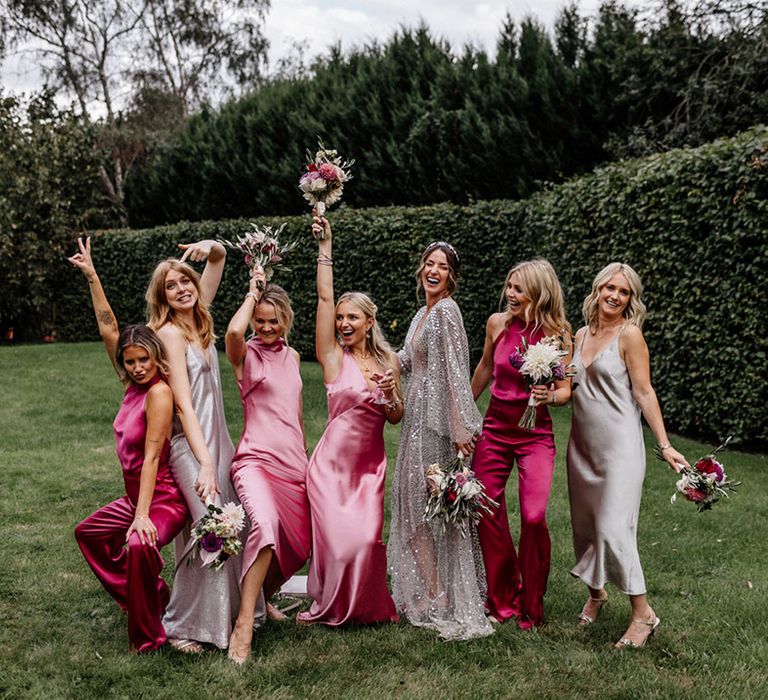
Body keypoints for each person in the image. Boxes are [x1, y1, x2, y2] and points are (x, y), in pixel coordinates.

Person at [69, 236, 188, 652]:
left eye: (144, 360)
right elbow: (108, 326)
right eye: (130, 361)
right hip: (134, 496)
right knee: (89, 533)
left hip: (164, 500)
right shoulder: (130, 384)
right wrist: (93, 276)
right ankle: (148, 596)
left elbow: (154, 454)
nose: (137, 367)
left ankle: (150, 637)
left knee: (139, 545)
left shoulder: (158, 393)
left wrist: (143, 517)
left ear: (156, 359)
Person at [146, 240, 262, 652]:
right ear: (162, 298)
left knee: (229, 526)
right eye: (170, 286)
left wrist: (211, 246)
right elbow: (183, 405)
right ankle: (183, 624)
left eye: (184, 280)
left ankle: (225, 614)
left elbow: (218, 260)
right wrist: (205, 463)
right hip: (190, 444)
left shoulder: (200, 320)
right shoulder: (169, 334)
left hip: (220, 440)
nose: (181, 289)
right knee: (211, 530)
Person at [567, 262, 689, 648]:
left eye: (623, 292)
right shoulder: (580, 333)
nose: (615, 296)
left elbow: (644, 392)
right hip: (582, 448)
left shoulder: (630, 335)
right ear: (597, 288)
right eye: (610, 288)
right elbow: (569, 389)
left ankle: (643, 614)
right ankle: (596, 594)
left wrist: (665, 445)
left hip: (620, 448)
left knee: (613, 528)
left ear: (630, 299)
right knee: (587, 527)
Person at [296, 213, 400, 626]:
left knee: (367, 539)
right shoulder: (333, 357)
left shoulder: (388, 360)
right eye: (341, 318)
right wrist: (326, 248)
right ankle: (333, 605)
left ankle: (370, 606)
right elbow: (324, 299)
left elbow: (395, 417)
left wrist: (392, 394)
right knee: (340, 545)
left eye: (352, 317)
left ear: (369, 321)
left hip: (369, 467)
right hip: (330, 468)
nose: (343, 323)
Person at [387, 241, 493, 641]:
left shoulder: (447, 311)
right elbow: (408, 359)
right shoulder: (422, 312)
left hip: (435, 425)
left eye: (443, 267)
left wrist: (462, 427)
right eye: (429, 264)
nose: (434, 271)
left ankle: (445, 596)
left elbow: (454, 372)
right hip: (414, 415)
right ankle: (436, 592)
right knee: (411, 504)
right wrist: (372, 354)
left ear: (452, 276)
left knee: (430, 506)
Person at [470, 259, 572, 629]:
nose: (510, 294)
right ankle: (502, 594)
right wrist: (464, 413)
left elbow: (565, 391)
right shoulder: (497, 324)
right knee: (484, 506)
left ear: (538, 292)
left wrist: (550, 397)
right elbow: (484, 368)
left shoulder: (559, 334)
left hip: (535, 436)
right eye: (509, 286)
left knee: (533, 516)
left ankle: (532, 601)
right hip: (495, 430)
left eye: (518, 288)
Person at [225, 269, 311, 664]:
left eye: (273, 320)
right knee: (264, 526)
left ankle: (262, 599)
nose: (266, 327)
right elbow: (231, 334)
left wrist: (308, 461)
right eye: (259, 321)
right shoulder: (245, 354)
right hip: (255, 460)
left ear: (286, 320)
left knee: (302, 545)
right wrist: (252, 293)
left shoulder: (292, 357)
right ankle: (244, 624)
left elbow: (294, 415)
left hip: (294, 463)